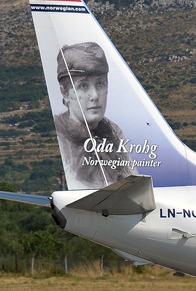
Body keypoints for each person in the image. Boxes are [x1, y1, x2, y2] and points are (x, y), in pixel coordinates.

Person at [53, 42, 136, 189]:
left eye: (100, 84)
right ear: (65, 92)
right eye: (83, 86)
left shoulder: (114, 132)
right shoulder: (60, 136)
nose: (95, 95)